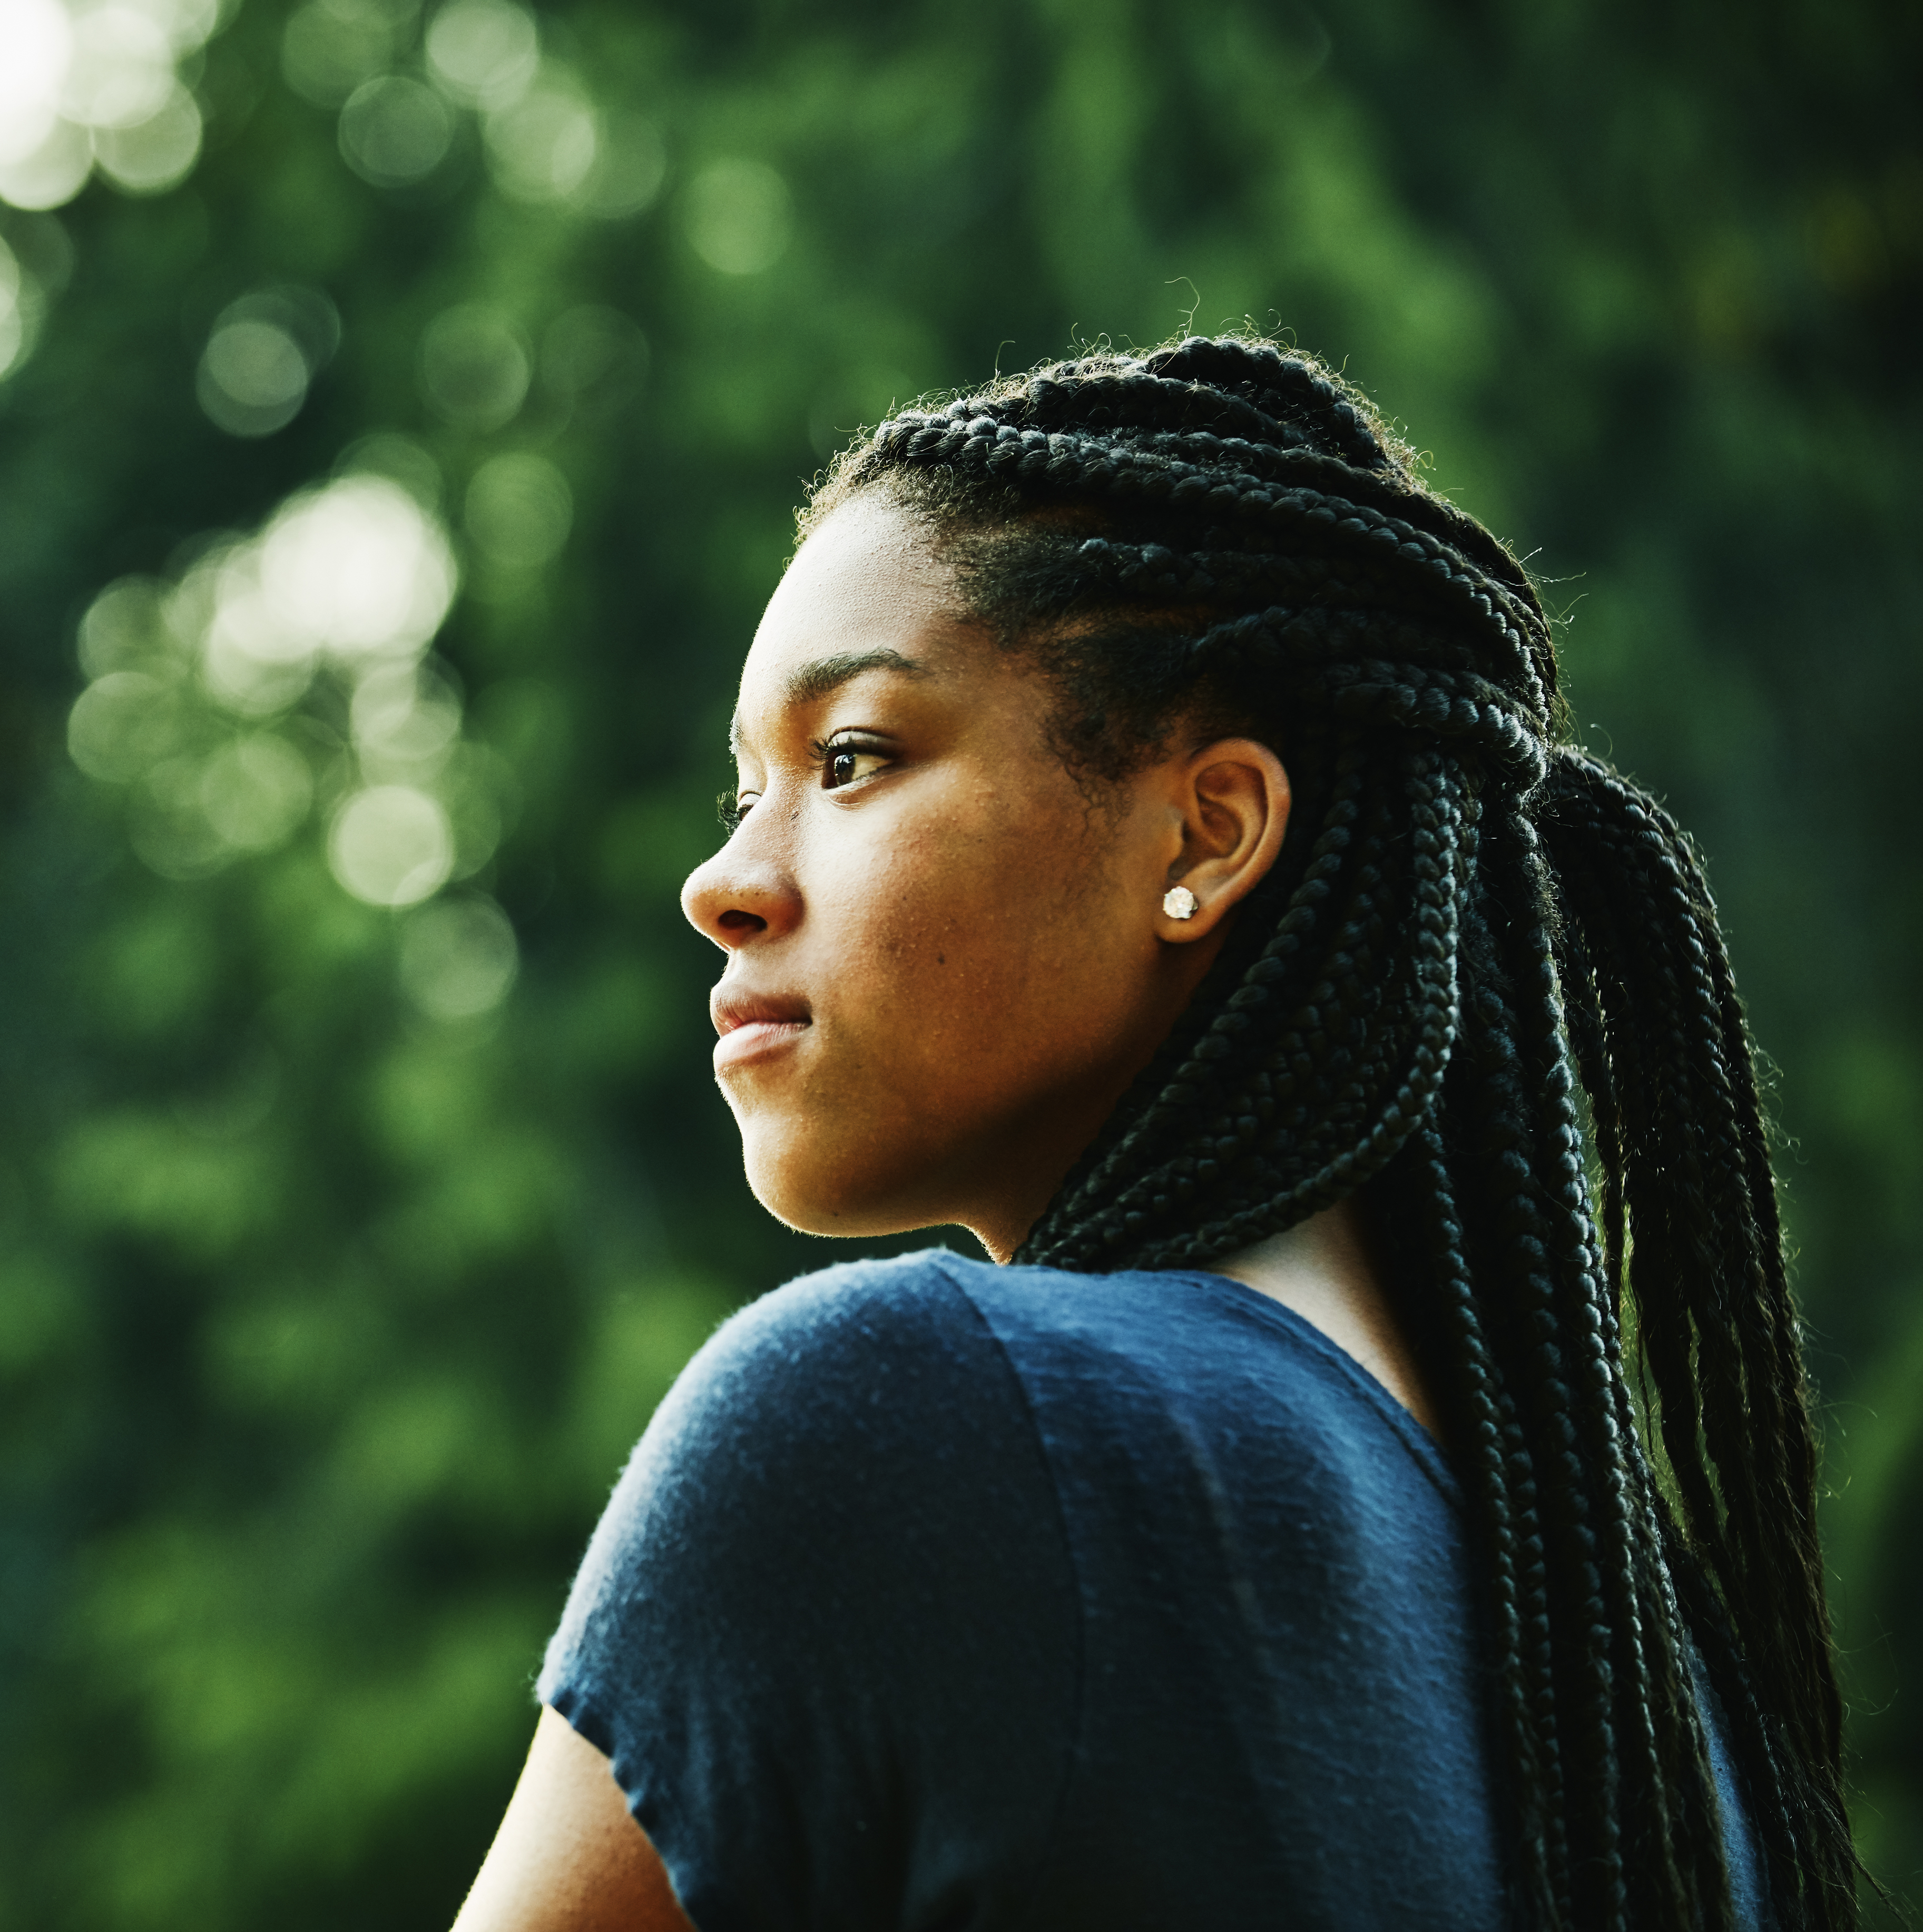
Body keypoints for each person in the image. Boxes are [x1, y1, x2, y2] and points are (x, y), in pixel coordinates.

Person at [450, 339, 1852, 1931]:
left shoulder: (903, 1425)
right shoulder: (1641, 1687)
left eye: (851, 758)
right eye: (741, 788)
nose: (725, 883)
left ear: (1208, 830)